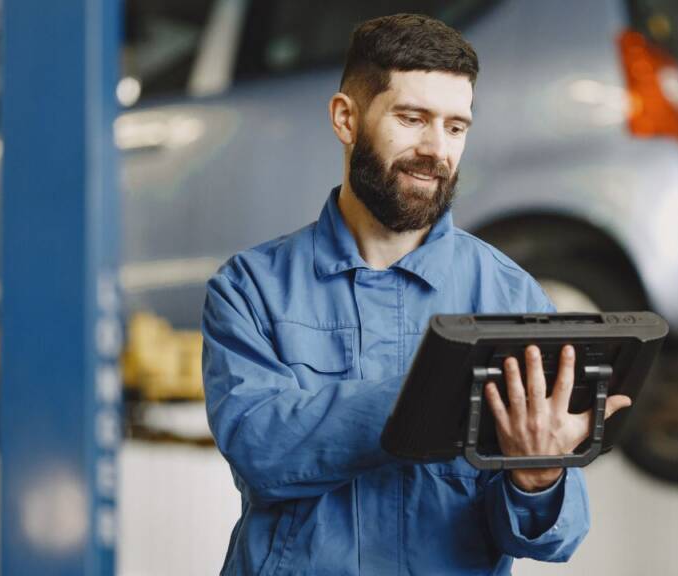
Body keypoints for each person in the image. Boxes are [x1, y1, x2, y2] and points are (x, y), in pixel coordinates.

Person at [202, 13, 631, 575]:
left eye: (456, 127)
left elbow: (553, 539)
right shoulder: (250, 289)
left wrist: (539, 474)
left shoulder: (509, 298)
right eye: (412, 119)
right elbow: (264, 451)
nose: (436, 149)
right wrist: (432, 392)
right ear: (345, 118)